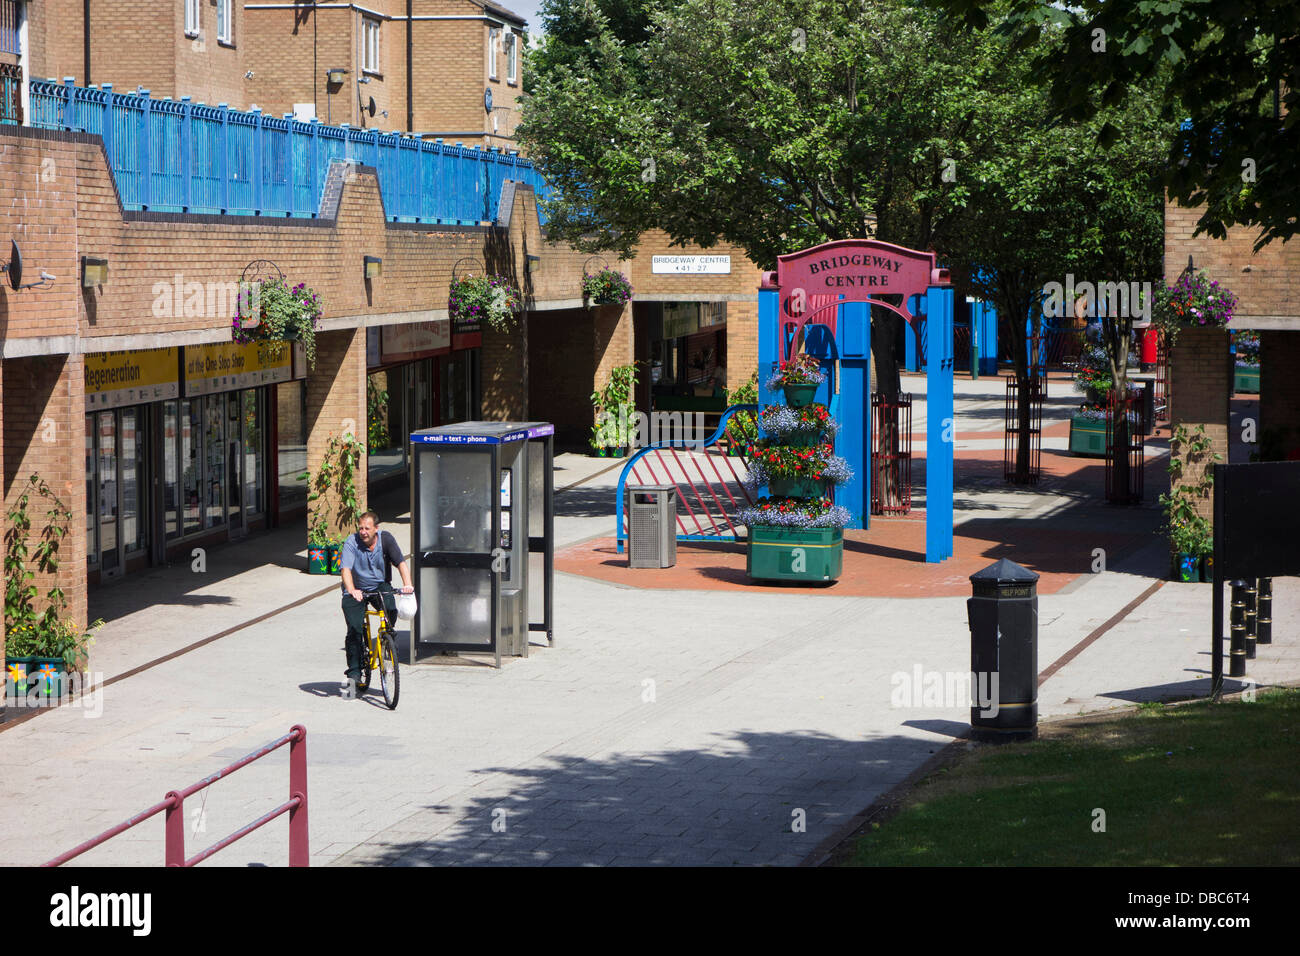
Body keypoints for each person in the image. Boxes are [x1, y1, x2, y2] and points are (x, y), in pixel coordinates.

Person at [340, 511, 413, 697]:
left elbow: (401, 563)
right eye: (361, 528)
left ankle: (387, 640)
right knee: (355, 628)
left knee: (391, 609)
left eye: (367, 528)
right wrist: (352, 590)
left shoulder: (385, 539)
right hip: (355, 588)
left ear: (376, 529)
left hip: (378, 585)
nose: (363, 532)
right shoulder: (351, 543)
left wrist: (408, 585)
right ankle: (354, 671)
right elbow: (346, 570)